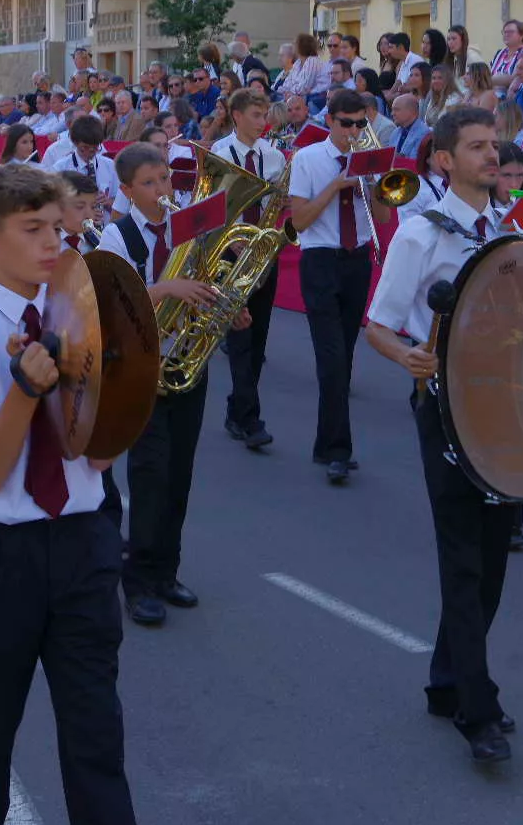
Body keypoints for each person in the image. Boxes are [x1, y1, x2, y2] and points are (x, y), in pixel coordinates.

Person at [0, 164, 144, 825]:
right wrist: (26, 389)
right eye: (33, 230)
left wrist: (116, 396)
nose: (55, 242)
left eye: (58, 226)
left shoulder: (85, 316)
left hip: (82, 543)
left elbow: (102, 453)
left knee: (95, 738)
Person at [364, 108, 520, 763]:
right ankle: (475, 710)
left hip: (504, 408)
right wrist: (408, 359)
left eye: (494, 146)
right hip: (448, 406)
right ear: (442, 160)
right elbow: (379, 323)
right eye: (477, 148)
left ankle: (445, 680)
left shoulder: (507, 227)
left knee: (493, 559)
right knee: (462, 559)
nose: (491, 156)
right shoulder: (419, 235)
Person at [97, 145, 238, 626]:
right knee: (150, 477)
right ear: (129, 191)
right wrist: (164, 289)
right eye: (152, 183)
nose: (164, 191)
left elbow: (206, 282)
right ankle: (136, 583)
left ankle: (166, 572)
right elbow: (109, 305)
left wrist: (225, 305)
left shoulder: (190, 231)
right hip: (140, 372)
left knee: (180, 475)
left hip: (186, 364)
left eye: (167, 180)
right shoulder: (115, 239)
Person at [289, 89, 386, 485]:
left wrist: (374, 181)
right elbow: (298, 221)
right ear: (329, 122)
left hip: (356, 260)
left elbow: (382, 213)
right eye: (346, 124)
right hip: (321, 260)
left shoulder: (369, 160)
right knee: (331, 358)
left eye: (360, 124)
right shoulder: (309, 160)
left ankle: (325, 442)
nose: (353, 131)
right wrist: (337, 185)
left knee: (343, 358)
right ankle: (339, 451)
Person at [211, 89, 286, 453]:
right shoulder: (219, 155)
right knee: (240, 337)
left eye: (264, 115)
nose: (262, 122)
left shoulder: (273, 157)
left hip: (264, 252)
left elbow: (277, 205)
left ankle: (236, 411)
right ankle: (250, 418)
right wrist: (229, 238)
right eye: (256, 115)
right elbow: (209, 211)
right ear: (236, 116)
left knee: (258, 340)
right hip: (231, 254)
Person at [40, 115, 120, 211]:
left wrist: (108, 201)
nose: (90, 152)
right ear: (75, 143)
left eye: (95, 147)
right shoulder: (60, 168)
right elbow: (50, 204)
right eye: (85, 147)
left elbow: (121, 201)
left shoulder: (110, 165)